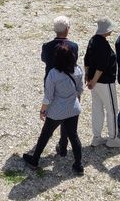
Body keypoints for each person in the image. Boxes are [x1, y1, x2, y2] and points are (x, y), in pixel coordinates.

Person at [23, 44, 85, 175]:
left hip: (57, 110)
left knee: (45, 135)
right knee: (74, 136)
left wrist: (42, 110)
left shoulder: (53, 74)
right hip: (73, 109)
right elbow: (79, 90)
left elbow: (48, 96)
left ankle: (35, 160)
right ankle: (78, 165)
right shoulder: (78, 70)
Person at [83, 18, 120, 148]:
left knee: (97, 109)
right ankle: (113, 138)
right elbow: (102, 66)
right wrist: (94, 81)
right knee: (111, 109)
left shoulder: (93, 40)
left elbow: (86, 59)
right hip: (104, 81)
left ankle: (96, 137)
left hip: (94, 81)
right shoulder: (103, 44)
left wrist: (88, 78)